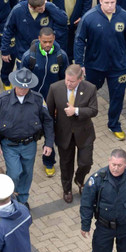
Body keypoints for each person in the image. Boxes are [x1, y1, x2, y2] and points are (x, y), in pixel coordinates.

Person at [74, 0, 126, 139]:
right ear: (100, 1)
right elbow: (79, 40)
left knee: (118, 96)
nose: (110, 6)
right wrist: (80, 64)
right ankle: (81, 119)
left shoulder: (124, 16)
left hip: (118, 65)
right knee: (88, 93)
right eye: (107, 2)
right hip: (95, 65)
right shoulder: (89, 17)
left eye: (112, 2)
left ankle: (114, 124)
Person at [0, 69, 53, 206]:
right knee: (14, 173)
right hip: (9, 145)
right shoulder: (1, 100)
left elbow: (47, 121)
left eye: (26, 87)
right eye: (20, 87)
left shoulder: (38, 99)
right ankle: (11, 198)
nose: (22, 90)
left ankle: (22, 200)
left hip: (29, 144)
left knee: (27, 173)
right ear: (14, 84)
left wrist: (49, 143)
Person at [46, 64, 98, 203]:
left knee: (86, 162)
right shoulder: (55, 88)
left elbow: (94, 110)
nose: (68, 84)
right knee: (66, 164)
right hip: (64, 134)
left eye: (72, 81)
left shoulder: (90, 88)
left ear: (80, 79)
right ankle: (67, 189)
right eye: (67, 80)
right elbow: (48, 114)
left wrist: (76, 111)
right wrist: (49, 136)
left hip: (84, 134)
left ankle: (79, 180)